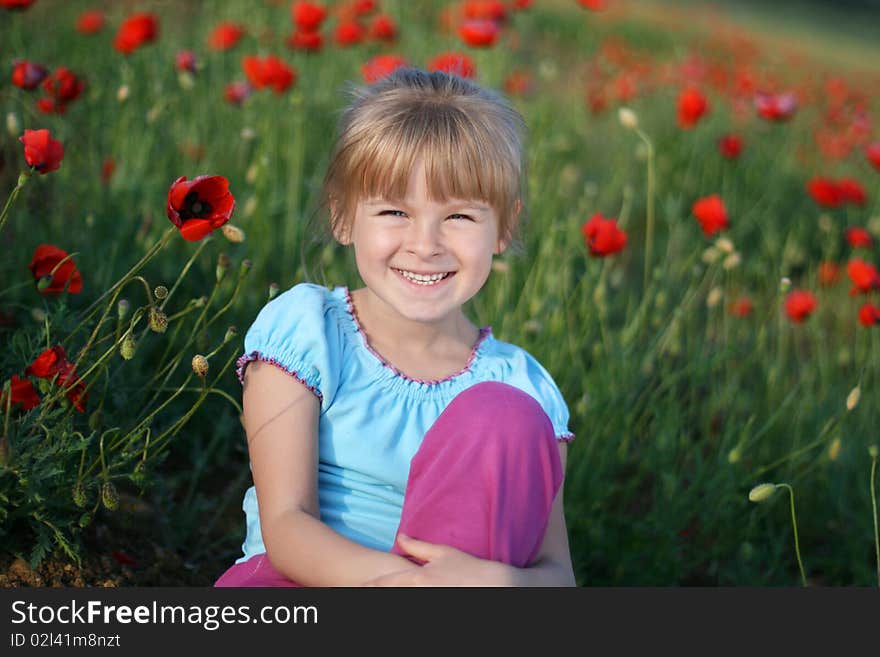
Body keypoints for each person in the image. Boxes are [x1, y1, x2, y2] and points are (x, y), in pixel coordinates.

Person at [214, 68, 576, 587]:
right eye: (393, 211)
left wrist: (499, 583)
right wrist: (406, 585)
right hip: (299, 582)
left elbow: (558, 575)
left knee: (507, 416)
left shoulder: (524, 389)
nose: (425, 244)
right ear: (342, 216)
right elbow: (287, 526)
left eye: (459, 218)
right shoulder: (311, 333)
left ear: (505, 227)